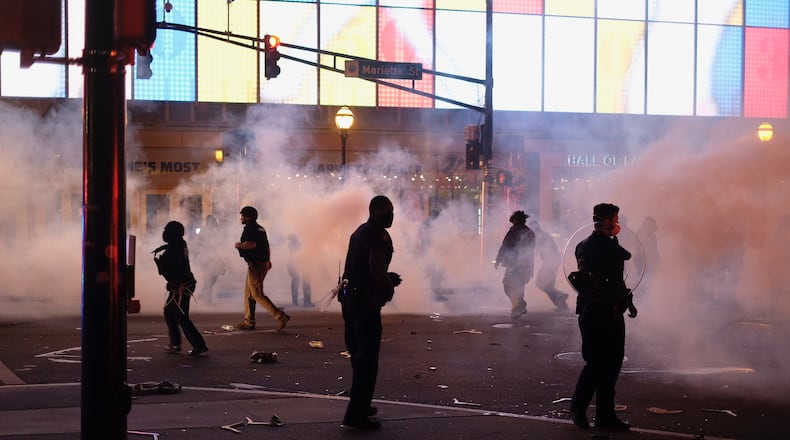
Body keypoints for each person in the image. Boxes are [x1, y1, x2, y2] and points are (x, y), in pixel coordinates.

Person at [568, 203, 637, 430]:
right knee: (602, 364)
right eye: (615, 219)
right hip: (603, 311)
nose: (618, 224)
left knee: (605, 364)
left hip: (596, 309)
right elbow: (624, 255)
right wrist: (613, 237)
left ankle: (603, 415)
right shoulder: (605, 245)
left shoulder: (582, 245)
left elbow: (614, 276)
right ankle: (581, 409)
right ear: (607, 221)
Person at [339, 195, 401, 430]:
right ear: (377, 212)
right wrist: (387, 286)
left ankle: (361, 405)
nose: (392, 215)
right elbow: (375, 266)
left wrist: (387, 278)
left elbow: (360, 267)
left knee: (358, 355)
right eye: (389, 211)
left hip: (350, 300)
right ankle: (355, 416)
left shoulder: (360, 231)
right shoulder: (376, 234)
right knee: (367, 359)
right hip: (364, 302)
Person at [153, 220, 208, 356]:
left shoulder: (174, 249)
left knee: (182, 317)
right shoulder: (178, 245)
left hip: (181, 287)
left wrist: (162, 267)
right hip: (181, 285)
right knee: (169, 312)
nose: (164, 233)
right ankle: (175, 343)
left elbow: (175, 270)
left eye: (166, 231)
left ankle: (199, 345)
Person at [234, 206, 290, 331]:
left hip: (256, 264)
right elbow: (266, 246)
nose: (241, 218)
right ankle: (249, 322)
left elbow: (251, 244)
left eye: (243, 215)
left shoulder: (250, 228)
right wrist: (268, 260)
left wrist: (239, 245)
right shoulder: (260, 229)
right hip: (261, 263)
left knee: (256, 294)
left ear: (248, 217)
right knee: (248, 294)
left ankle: (280, 316)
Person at [494, 210, 536, 319]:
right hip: (525, 265)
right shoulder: (529, 232)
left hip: (516, 265)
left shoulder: (515, 231)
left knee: (508, 286)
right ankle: (518, 307)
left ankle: (518, 306)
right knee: (518, 287)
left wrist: (498, 260)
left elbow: (505, 246)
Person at [529, 218, 570, 311]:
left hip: (550, 261)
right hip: (551, 261)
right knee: (546, 285)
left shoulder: (539, 236)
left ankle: (561, 298)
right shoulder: (542, 235)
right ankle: (562, 303)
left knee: (542, 283)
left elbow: (537, 250)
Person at [193, 214, 227, 304]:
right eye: (213, 221)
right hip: (206, 257)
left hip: (211, 256)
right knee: (209, 278)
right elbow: (199, 244)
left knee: (212, 277)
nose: (215, 223)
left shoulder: (214, 231)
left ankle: (204, 295)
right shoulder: (204, 231)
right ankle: (207, 298)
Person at [286, 233, 313, 308]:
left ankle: (297, 301)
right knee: (304, 280)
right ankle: (306, 302)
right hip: (297, 262)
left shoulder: (293, 238)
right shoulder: (296, 238)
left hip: (297, 262)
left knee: (299, 281)